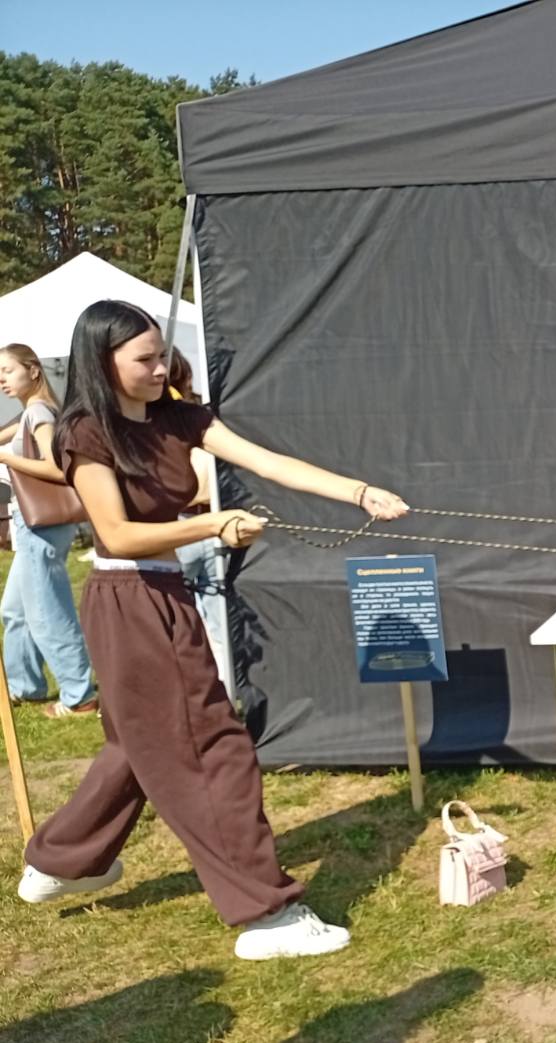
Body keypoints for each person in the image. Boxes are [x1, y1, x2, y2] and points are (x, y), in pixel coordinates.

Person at [15, 301, 409, 960]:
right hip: (129, 600)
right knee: (211, 747)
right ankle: (266, 915)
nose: (159, 367)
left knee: (138, 743)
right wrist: (213, 524)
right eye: (144, 359)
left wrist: (360, 492)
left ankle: (57, 862)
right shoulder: (86, 431)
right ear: (102, 362)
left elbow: (267, 462)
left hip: (161, 595)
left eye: (161, 354)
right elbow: (117, 533)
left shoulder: (177, 417)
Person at [0, 342, 96, 717]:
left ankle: (79, 696)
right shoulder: (33, 411)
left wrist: (7, 459)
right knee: (15, 611)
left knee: (46, 612)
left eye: (7, 371)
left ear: (33, 370)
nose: (2, 380)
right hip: (34, 526)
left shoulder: (39, 412)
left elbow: (58, 469)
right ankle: (25, 686)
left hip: (40, 526)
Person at [165, 349, 229, 662]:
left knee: (196, 620)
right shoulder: (202, 417)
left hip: (199, 522)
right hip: (195, 521)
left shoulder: (193, 418)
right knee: (212, 619)